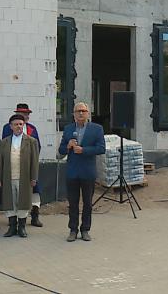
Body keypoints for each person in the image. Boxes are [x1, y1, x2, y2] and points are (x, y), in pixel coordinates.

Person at [58, 102, 105, 242]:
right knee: (72, 203)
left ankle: (85, 229)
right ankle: (73, 229)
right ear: (73, 114)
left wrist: (84, 150)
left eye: (83, 111)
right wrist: (68, 146)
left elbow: (101, 148)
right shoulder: (68, 129)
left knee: (87, 203)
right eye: (78, 111)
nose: (80, 113)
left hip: (88, 172)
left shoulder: (97, 129)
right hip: (72, 172)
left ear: (88, 113)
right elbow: (60, 151)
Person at [0, 114, 39, 238]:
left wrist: (34, 177)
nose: (18, 126)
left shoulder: (31, 141)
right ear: (11, 126)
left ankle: (22, 227)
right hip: (8, 177)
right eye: (16, 124)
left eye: (21, 124)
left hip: (24, 178)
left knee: (23, 202)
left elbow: (35, 161)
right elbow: (0, 161)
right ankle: (12, 227)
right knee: (10, 202)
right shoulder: (4, 142)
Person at [2, 103, 44, 227]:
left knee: (35, 190)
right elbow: (4, 145)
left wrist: (32, 161)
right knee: (13, 193)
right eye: (21, 114)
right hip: (13, 167)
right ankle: (13, 220)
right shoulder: (7, 128)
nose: (24, 116)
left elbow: (38, 146)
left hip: (28, 166)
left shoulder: (32, 128)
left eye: (26, 114)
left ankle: (35, 215)